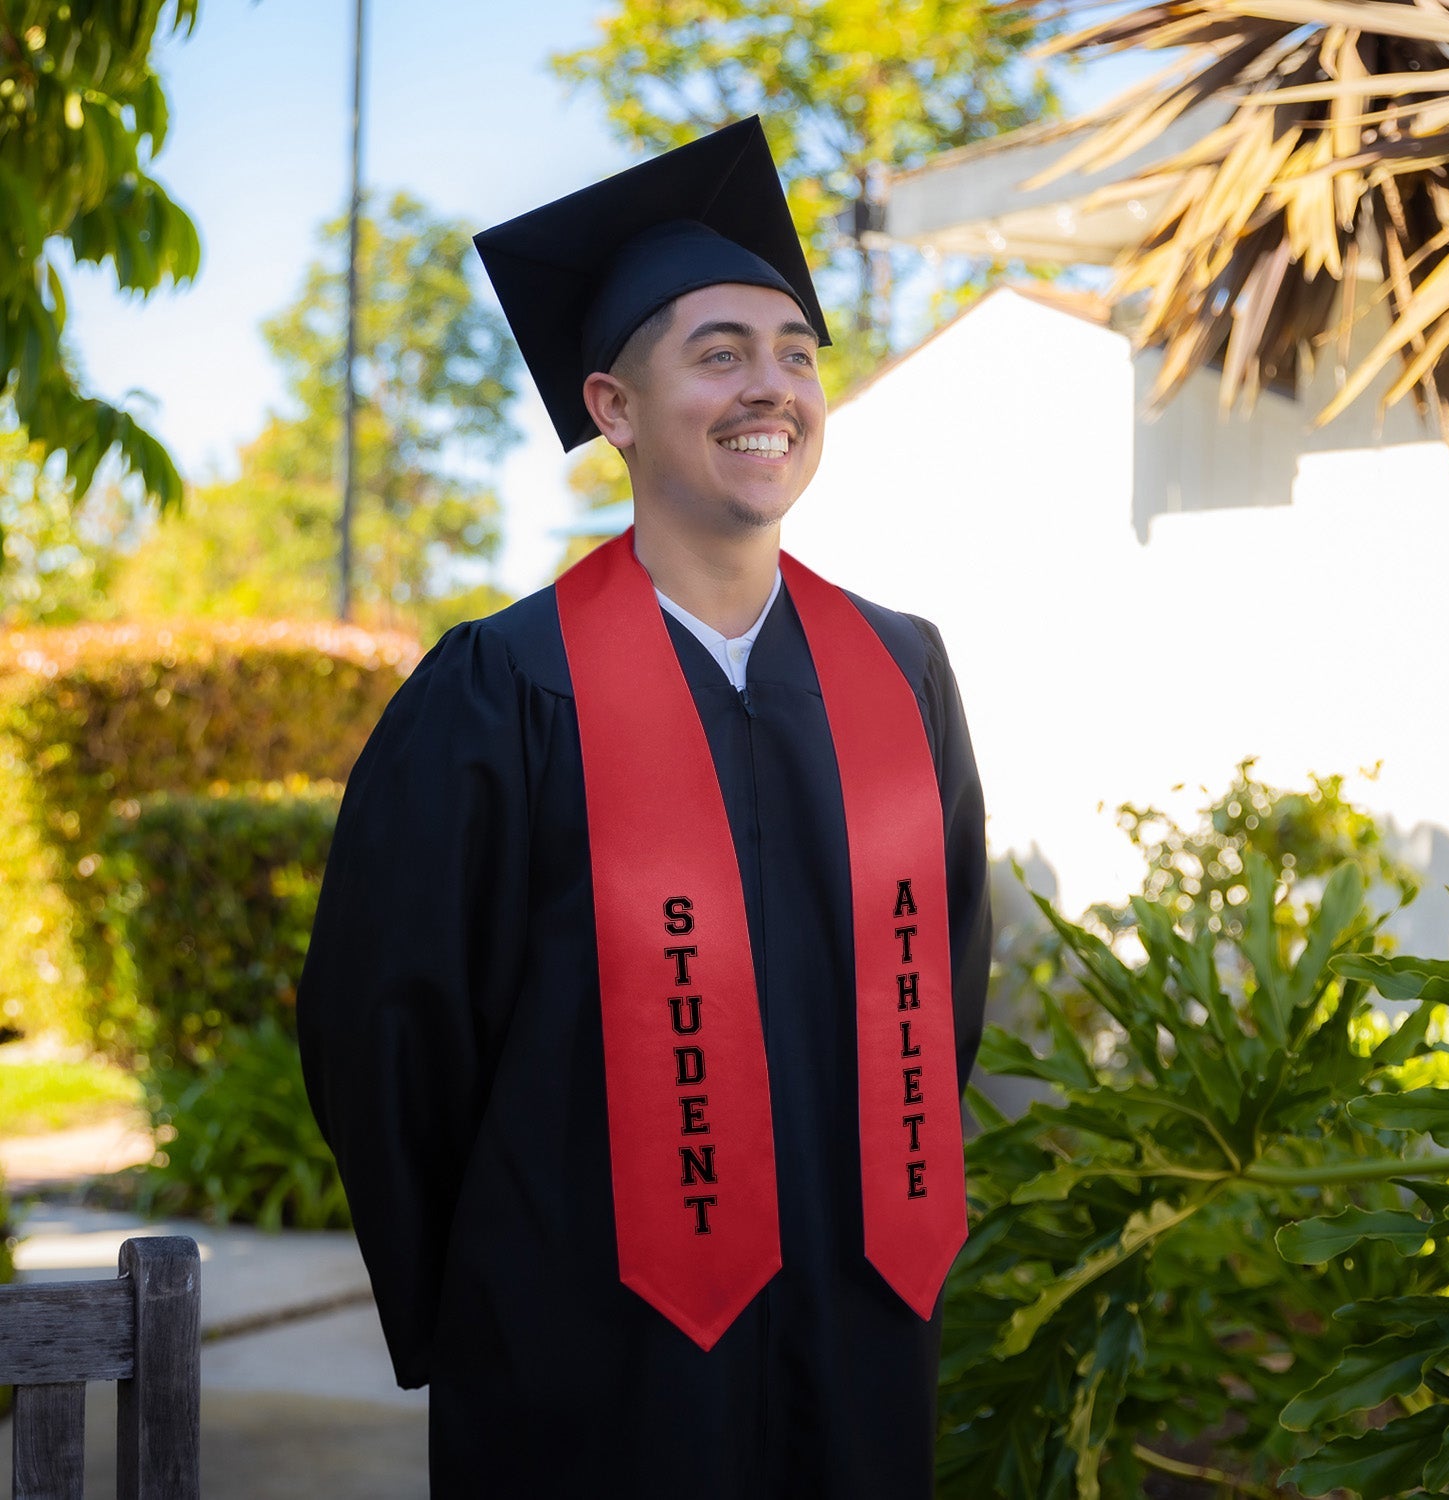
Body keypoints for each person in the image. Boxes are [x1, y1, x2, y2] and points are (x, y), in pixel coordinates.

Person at [297, 116, 992, 1499]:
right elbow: (392, 1028)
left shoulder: (901, 670)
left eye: (798, 351)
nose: (773, 385)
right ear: (613, 408)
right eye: (719, 352)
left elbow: (946, 988)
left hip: (856, 1343)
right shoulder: (502, 686)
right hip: (582, 1359)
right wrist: (497, 1281)